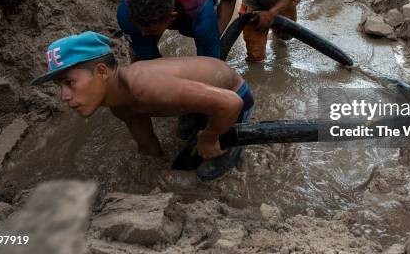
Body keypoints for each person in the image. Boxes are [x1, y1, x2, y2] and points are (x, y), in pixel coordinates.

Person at [31, 31, 254, 182]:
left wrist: (209, 137)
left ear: (101, 72)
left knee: (204, 174)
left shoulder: (144, 86)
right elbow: (148, 147)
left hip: (234, 93)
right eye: (59, 86)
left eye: (69, 83)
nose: (64, 96)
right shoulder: (120, 106)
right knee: (184, 139)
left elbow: (231, 103)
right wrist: (154, 178)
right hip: (202, 101)